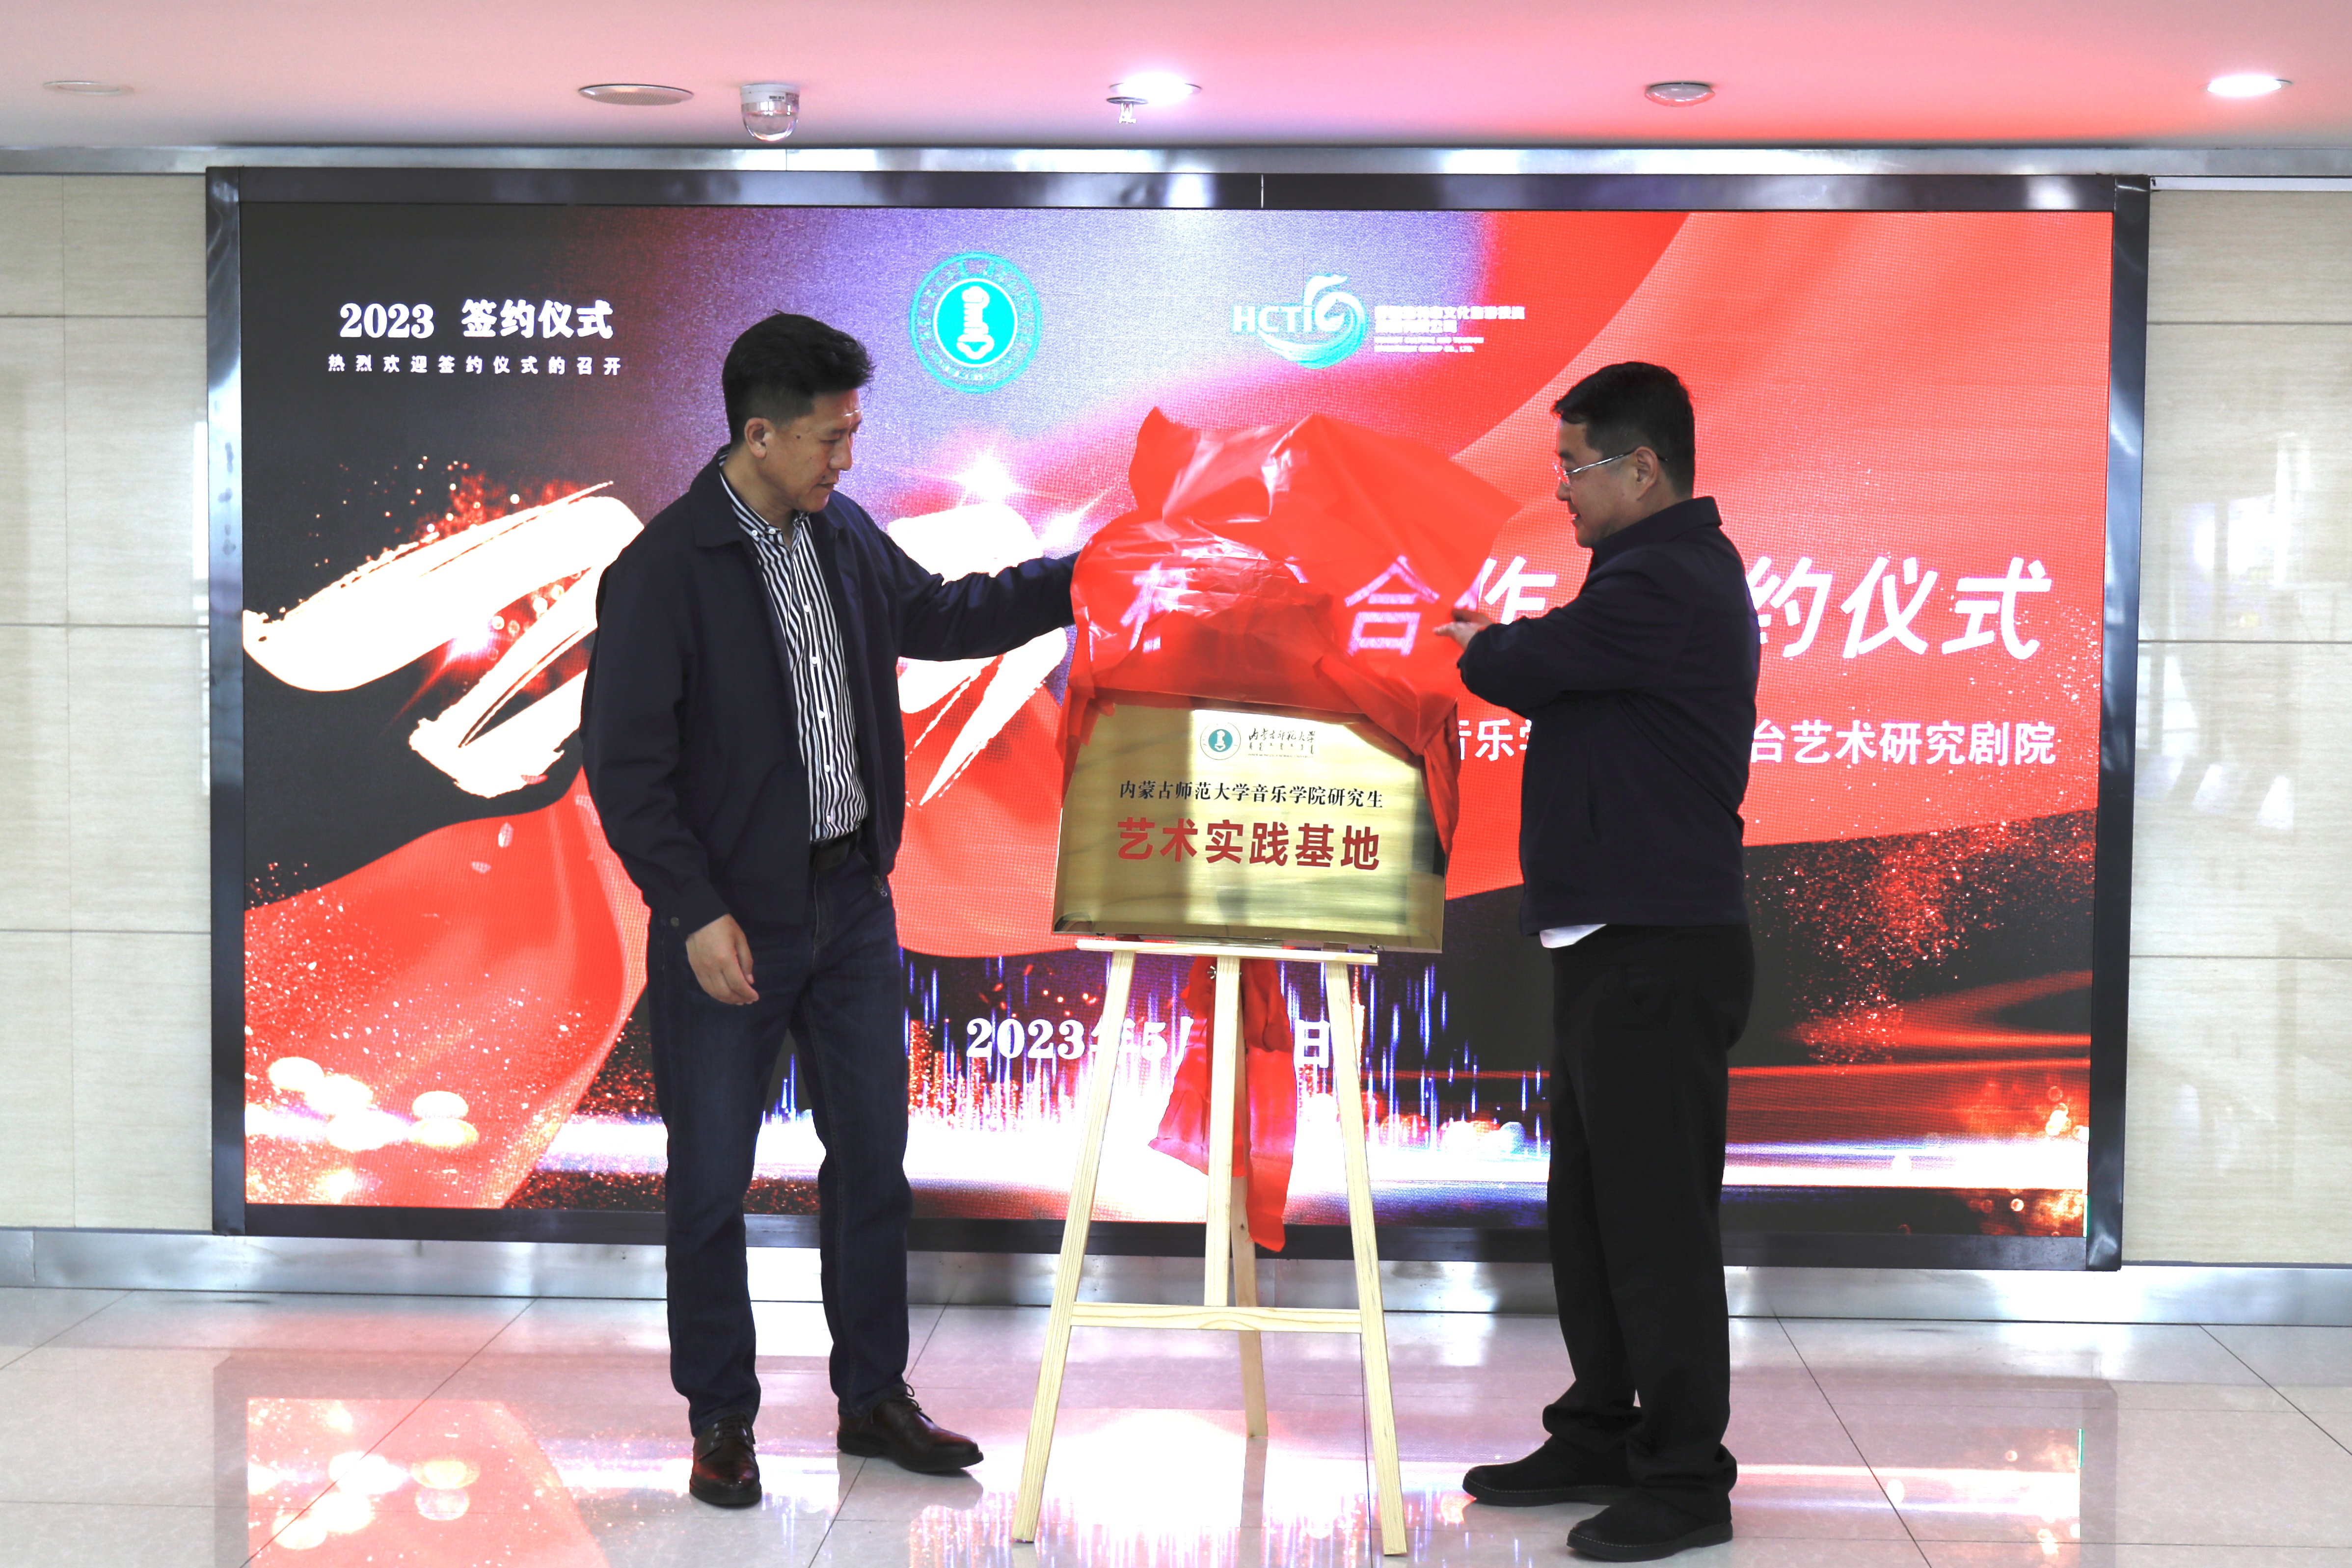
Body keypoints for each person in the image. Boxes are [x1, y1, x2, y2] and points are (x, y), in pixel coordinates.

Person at [582, 313, 1076, 1508]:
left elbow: (944, 618)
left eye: (852, 432)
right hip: (729, 921)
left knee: (871, 1161)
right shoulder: (662, 571)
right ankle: (720, 1417)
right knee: (710, 1178)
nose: (847, 456)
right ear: (759, 434)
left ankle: (873, 1398)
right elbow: (627, 772)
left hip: (851, 902)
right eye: (829, 436)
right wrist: (691, 909)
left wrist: (1082, 576)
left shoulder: (840, 533)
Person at [1432, 362, 1758, 1562]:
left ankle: (1683, 1477)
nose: (1561, 489)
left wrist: (1478, 639)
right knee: (1591, 1214)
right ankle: (1599, 1431)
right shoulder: (1644, 574)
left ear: (1642, 468)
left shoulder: (1666, 575)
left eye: (1573, 468)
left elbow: (1519, 665)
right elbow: (1561, 674)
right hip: (1612, 946)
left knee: (1653, 1227)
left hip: (1656, 950)